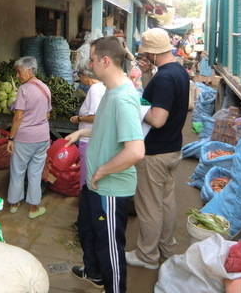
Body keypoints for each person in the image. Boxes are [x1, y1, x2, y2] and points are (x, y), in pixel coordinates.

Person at [65, 36, 145, 293]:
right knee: (88, 231)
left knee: (110, 247)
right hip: (95, 183)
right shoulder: (110, 90)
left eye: (91, 59)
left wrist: (101, 170)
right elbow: (105, 125)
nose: (89, 65)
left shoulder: (123, 98)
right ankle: (94, 272)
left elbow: (135, 151)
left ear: (106, 61)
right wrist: (80, 134)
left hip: (109, 187)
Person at [126, 28, 190, 270]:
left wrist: (134, 107)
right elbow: (156, 99)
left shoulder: (164, 78)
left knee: (149, 207)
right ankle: (166, 247)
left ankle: (147, 256)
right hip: (172, 150)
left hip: (155, 154)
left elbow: (157, 118)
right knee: (165, 202)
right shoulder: (177, 72)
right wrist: (145, 74)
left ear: (151, 53)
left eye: (145, 54)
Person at [7, 56, 51, 219]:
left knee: (18, 170)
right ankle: (33, 209)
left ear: (29, 70)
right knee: (35, 172)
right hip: (42, 138)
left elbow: (18, 117)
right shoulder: (45, 88)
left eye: (19, 72)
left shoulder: (24, 90)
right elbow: (47, 115)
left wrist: (11, 139)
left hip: (24, 138)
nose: (18, 76)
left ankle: (14, 203)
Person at [69, 61, 106, 189]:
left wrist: (78, 118)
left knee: (86, 177)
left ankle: (85, 200)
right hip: (95, 138)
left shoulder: (95, 90)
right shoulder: (101, 87)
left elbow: (95, 117)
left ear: (86, 75)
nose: (79, 77)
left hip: (88, 139)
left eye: (80, 74)